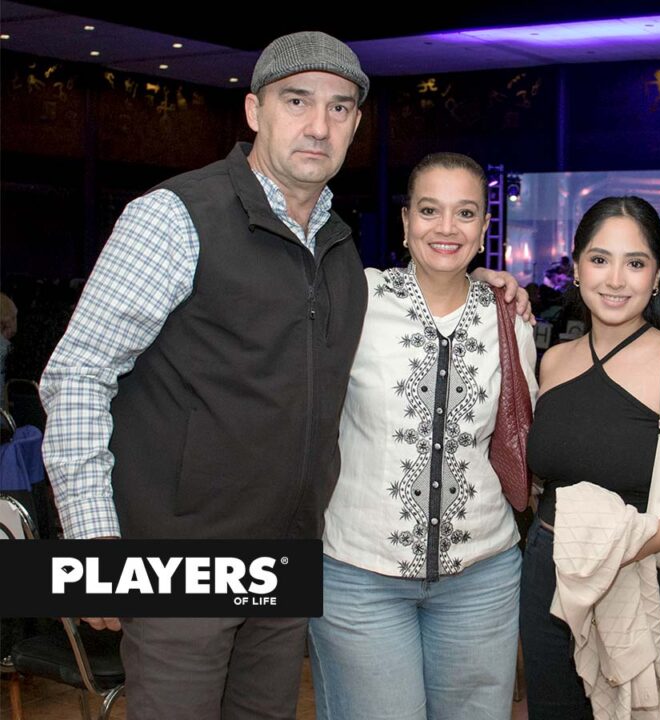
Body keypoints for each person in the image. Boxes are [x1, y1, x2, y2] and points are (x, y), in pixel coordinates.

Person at [40, 34, 525, 720]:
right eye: (297, 101)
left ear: (355, 125)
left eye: (339, 107)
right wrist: (93, 541)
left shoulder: (337, 247)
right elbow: (79, 373)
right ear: (254, 111)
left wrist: (484, 283)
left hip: (288, 556)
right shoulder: (175, 216)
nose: (318, 125)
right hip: (177, 558)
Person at [309, 152, 538, 720]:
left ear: (485, 227)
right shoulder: (357, 299)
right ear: (406, 220)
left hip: (481, 575)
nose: (447, 228)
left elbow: (520, 428)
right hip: (359, 573)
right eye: (430, 210)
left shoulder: (508, 318)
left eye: (466, 213)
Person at [520, 196, 660, 719]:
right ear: (576, 268)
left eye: (635, 262)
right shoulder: (554, 362)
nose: (616, 279)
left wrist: (629, 543)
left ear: (657, 275)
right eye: (600, 259)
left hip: (647, 578)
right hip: (549, 577)